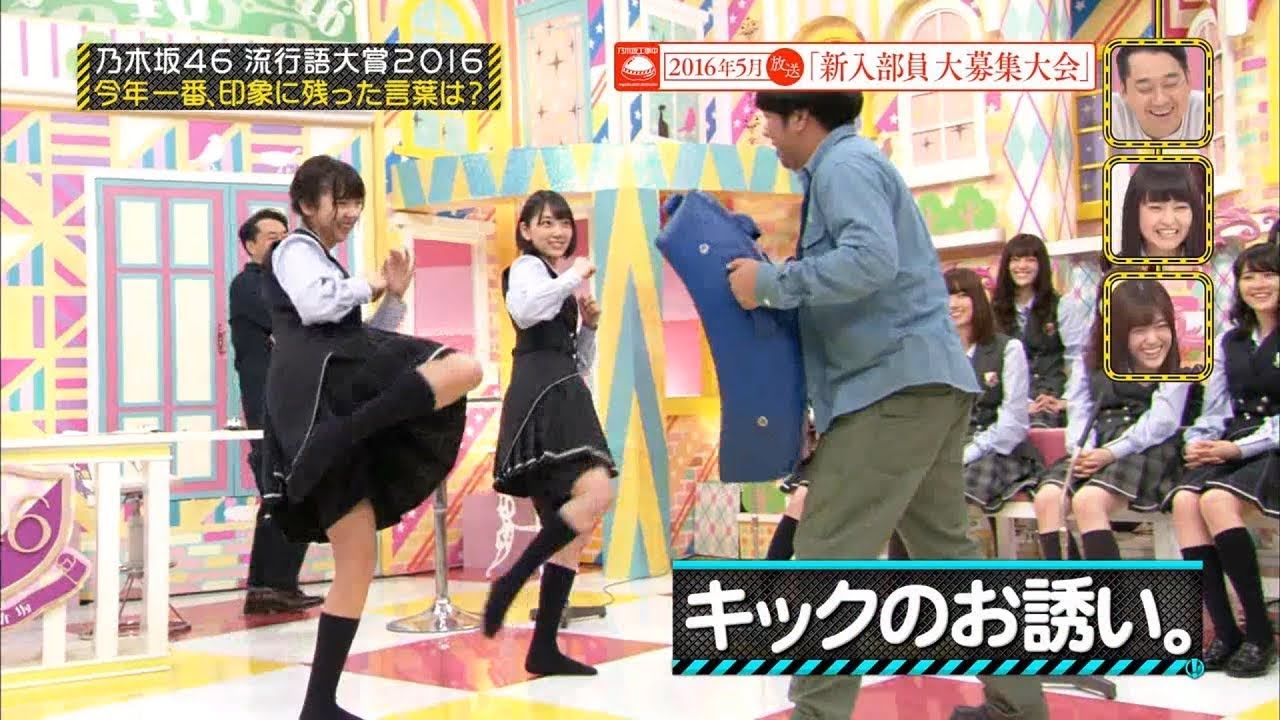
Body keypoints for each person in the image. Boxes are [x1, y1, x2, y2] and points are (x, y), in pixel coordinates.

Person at [727, 90, 1048, 720]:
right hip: (923, 384)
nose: (766, 135)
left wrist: (769, 283)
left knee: (828, 552)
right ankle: (1017, 704)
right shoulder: (850, 166)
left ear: (801, 117)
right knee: (947, 552)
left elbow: (869, 261)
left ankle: (817, 714)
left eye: (770, 122)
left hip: (890, 388)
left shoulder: (844, 166)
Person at [258, 155, 484, 719]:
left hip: (337, 389)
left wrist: (395, 297)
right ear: (306, 204)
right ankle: (340, 435)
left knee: (357, 563)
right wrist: (374, 282)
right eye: (341, 200)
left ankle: (319, 705)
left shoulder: (323, 259)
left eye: (356, 200)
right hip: (318, 393)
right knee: (463, 368)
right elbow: (317, 307)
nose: (351, 211)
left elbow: (362, 339)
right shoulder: (293, 249)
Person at [481, 190, 617, 677]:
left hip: (563, 388)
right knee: (597, 492)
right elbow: (524, 311)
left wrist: (590, 328)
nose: (557, 231)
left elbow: (578, 361)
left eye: (563, 222)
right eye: (545, 223)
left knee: (572, 532)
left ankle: (543, 648)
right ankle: (514, 579)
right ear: (525, 230)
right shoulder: (526, 268)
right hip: (543, 395)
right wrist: (575, 275)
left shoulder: (555, 280)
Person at [1164, 241, 1278, 678]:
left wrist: (1238, 449)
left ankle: (1260, 635)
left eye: (1269, 274)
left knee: (1215, 500)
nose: (1258, 284)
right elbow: (1215, 409)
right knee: (1184, 501)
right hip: (1234, 442)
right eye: (1250, 276)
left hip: (1271, 447)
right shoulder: (1228, 341)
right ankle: (1226, 633)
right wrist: (1199, 440)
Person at [1030, 277, 1196, 561]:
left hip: (1146, 448)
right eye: (1139, 330)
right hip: (1094, 445)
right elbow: (1079, 407)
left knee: (1088, 501)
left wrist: (1110, 453)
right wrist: (1081, 450)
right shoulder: (1091, 359)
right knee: (1047, 500)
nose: (1153, 339)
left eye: (1161, 326)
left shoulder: (1175, 366)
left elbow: (1163, 421)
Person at [886, 269, 1042, 559]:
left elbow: (1013, 423)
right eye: (945, 295)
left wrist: (967, 452)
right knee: (905, 495)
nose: (953, 304)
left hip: (995, 451)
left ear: (978, 300)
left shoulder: (1008, 349)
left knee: (945, 499)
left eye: (961, 295)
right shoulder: (931, 353)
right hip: (944, 446)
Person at [229, 208, 322, 615]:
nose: (281, 242)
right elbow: (298, 322)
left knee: (292, 491)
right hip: (269, 406)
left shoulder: (284, 283)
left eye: (285, 235)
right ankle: (267, 586)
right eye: (271, 236)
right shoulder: (249, 285)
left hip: (294, 401)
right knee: (280, 491)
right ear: (250, 245)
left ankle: (274, 585)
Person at [990, 234, 1089, 428]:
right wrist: (1022, 403)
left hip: (1053, 399)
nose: (1022, 266)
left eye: (1030, 260)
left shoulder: (1062, 305)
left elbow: (1078, 357)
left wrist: (1066, 400)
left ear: (1041, 265)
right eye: (1015, 260)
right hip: (1010, 402)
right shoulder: (993, 311)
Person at [1110, 45, 1207, 142]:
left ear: (1188, 81)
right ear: (1124, 91)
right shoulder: (1110, 113)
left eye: (1171, 83)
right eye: (1145, 88)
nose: (1160, 100)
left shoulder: (1208, 110)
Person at [1117, 163, 1208, 260]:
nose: (1168, 221)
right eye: (1156, 208)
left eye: (1180, 207)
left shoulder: (1212, 262)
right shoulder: (1114, 266)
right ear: (1134, 211)